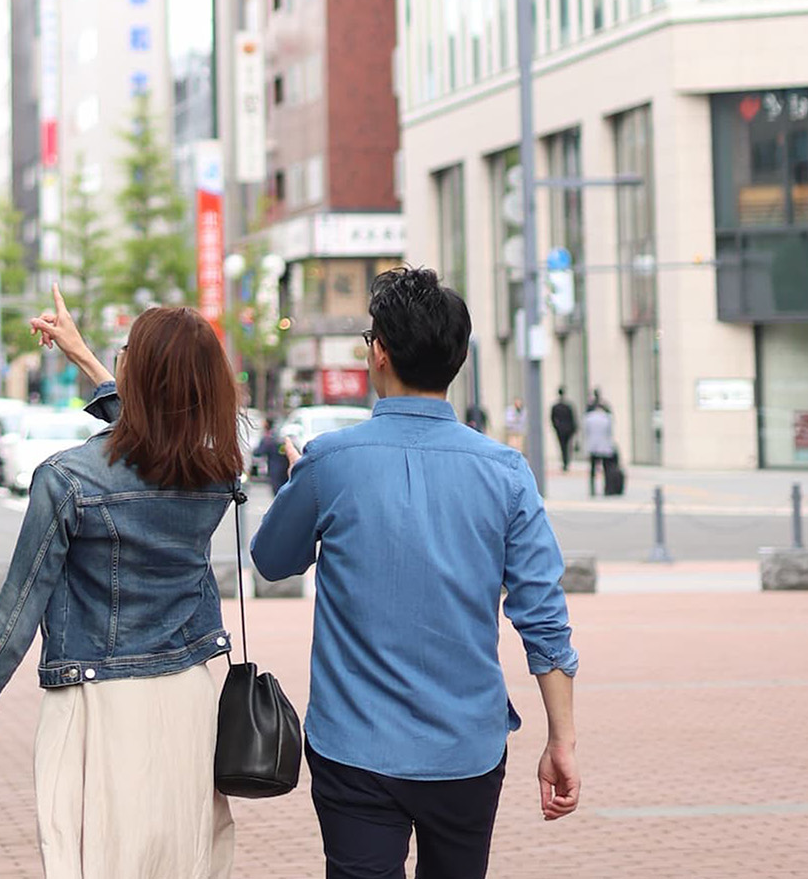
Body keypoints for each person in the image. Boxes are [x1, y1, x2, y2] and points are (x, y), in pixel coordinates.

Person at [0, 287, 241, 878]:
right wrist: (85, 359)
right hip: (189, 697)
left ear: (141, 373)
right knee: (180, 862)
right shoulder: (216, 472)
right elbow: (149, 438)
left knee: (96, 860)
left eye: (127, 350)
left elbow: (16, 612)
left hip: (97, 704)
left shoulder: (66, 479)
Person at [251, 267, 580, 879]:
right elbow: (544, 616)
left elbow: (271, 562)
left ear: (378, 352)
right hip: (467, 748)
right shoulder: (506, 472)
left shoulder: (331, 461)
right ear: (457, 358)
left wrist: (301, 483)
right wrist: (561, 740)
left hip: (354, 744)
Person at [583, 397, 618, 496]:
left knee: (593, 469)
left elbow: (586, 432)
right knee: (606, 469)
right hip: (605, 446)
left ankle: (592, 489)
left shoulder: (588, 418)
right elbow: (609, 433)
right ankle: (607, 489)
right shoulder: (607, 418)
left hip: (592, 445)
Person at [550, 388, 579, 473]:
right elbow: (573, 418)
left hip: (560, 430)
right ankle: (566, 461)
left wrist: (556, 427)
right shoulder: (568, 406)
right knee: (568, 446)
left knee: (562, 446)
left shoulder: (556, 407)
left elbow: (552, 418)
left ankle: (564, 462)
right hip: (568, 430)